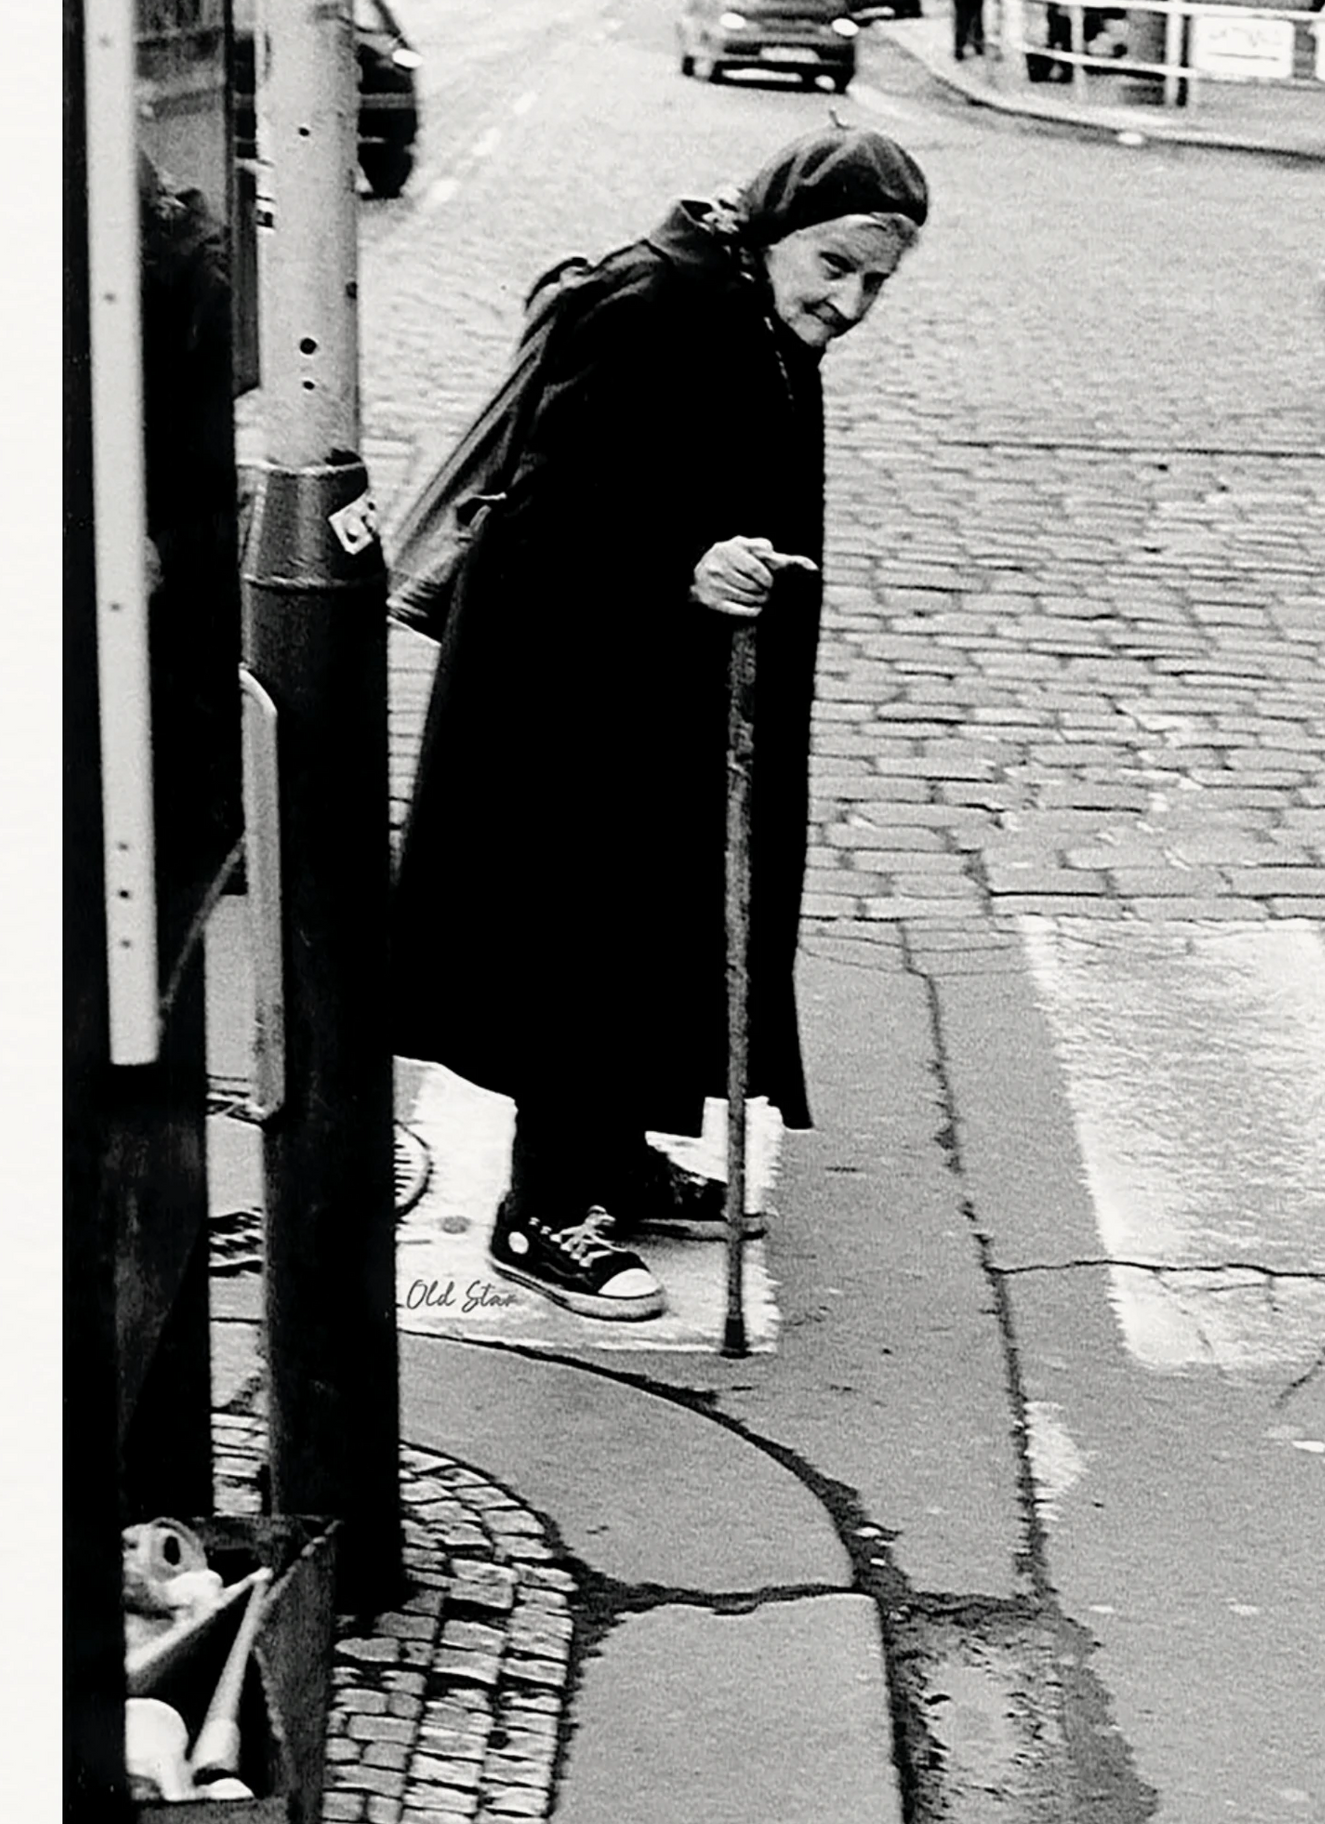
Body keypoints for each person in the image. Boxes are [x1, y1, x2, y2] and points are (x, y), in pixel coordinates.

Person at [390, 124, 932, 1323]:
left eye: (874, 284)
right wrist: (680, 571)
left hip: (670, 680)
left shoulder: (746, 304)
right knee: (586, 927)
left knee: (660, 918)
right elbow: (540, 521)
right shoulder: (649, 305)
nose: (848, 302)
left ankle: (614, 1153)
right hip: (574, 692)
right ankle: (542, 1210)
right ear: (775, 227)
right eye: (835, 265)